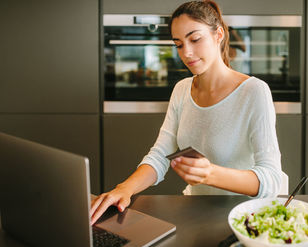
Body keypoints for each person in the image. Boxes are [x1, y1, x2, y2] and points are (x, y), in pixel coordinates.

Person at [90, 0, 288, 225]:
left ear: (218, 34)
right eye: (179, 44)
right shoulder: (182, 90)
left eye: (195, 39)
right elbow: (160, 154)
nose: (187, 53)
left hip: (245, 217)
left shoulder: (254, 91)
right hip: (196, 210)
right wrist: (124, 189)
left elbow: (271, 179)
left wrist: (210, 174)